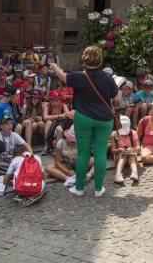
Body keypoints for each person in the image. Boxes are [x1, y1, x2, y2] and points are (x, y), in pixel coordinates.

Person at [50, 46, 118, 197]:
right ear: (100, 59)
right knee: (100, 154)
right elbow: (116, 97)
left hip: (84, 118)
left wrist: (54, 66)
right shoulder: (108, 78)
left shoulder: (79, 76)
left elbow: (62, 75)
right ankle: (99, 189)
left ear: (84, 58)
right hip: (104, 118)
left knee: (83, 154)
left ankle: (79, 188)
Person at [110, 116, 140, 184]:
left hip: (131, 155)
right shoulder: (114, 134)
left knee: (131, 157)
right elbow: (113, 150)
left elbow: (138, 148)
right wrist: (120, 150)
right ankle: (117, 175)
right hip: (119, 156)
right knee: (123, 156)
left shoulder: (133, 133)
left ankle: (134, 173)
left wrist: (132, 149)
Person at [42, 89, 71, 155]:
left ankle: (58, 149)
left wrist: (62, 116)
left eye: (56, 100)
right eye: (52, 100)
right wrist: (59, 116)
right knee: (48, 122)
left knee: (60, 127)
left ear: (60, 100)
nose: (54, 102)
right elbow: (45, 117)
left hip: (61, 124)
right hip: (50, 125)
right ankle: (46, 145)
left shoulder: (63, 106)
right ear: (49, 100)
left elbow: (68, 114)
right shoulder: (47, 106)